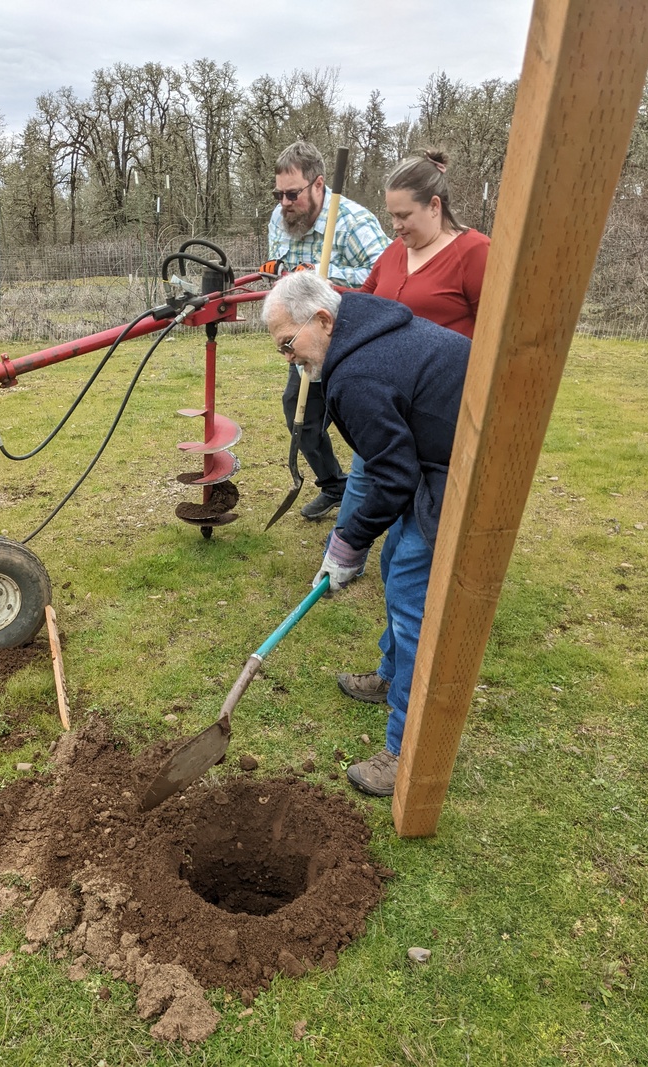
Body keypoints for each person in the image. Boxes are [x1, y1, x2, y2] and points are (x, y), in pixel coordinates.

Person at [262, 270, 471, 798]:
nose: (288, 358)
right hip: (436, 455)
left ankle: (406, 753)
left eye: (289, 344)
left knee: (411, 598)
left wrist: (346, 543)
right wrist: (351, 546)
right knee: (394, 561)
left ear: (324, 319)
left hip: (463, 469)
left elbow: (389, 475)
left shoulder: (358, 375)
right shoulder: (364, 323)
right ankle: (388, 675)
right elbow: (386, 466)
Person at [333, 148, 490, 706]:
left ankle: (409, 693)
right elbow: (365, 306)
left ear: (436, 205)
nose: (395, 228)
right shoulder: (396, 256)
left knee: (409, 569)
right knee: (395, 549)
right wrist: (321, 293)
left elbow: (501, 332)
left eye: (403, 216)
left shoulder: (474, 254)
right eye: (390, 217)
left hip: (444, 420)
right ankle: (390, 670)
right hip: (390, 410)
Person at [265, 140, 390, 521]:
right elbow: (278, 270)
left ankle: (383, 491)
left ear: (318, 185)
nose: (284, 202)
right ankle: (334, 484)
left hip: (354, 341)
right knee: (299, 416)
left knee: (363, 422)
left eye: (292, 194)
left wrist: (321, 278)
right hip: (307, 341)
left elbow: (386, 273)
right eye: (278, 194)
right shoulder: (279, 219)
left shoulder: (353, 221)